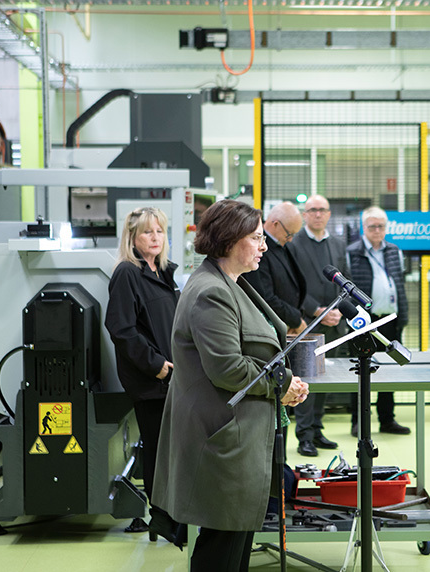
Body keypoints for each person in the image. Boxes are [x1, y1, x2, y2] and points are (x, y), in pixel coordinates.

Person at [150, 199, 309, 571]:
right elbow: (228, 368)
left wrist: (283, 381)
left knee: (234, 546)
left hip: (240, 438)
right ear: (228, 240)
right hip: (222, 439)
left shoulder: (233, 283)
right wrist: (282, 385)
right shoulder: (211, 291)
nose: (264, 245)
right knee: (220, 549)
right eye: (256, 238)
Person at [105, 206, 180, 519]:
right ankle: (162, 518)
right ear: (132, 237)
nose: (155, 237)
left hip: (172, 379)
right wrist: (157, 365)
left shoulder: (163, 273)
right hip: (152, 382)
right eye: (148, 231)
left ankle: (173, 514)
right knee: (158, 450)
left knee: (171, 450)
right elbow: (121, 329)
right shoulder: (127, 273)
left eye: (160, 231)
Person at [287, 194, 346, 457]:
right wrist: (317, 310)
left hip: (333, 322)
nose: (318, 214)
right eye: (312, 210)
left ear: (329, 214)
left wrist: (337, 311)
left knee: (325, 379)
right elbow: (292, 286)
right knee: (306, 380)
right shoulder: (294, 244)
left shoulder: (338, 244)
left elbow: (344, 281)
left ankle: (318, 429)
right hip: (306, 323)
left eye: (322, 210)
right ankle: (304, 436)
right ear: (305, 214)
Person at [346, 206, 411, 436]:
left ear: (386, 228)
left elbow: (399, 282)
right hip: (365, 321)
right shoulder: (352, 252)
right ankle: (358, 420)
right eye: (372, 226)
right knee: (361, 368)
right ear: (364, 228)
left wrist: (403, 314)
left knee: (390, 369)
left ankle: (387, 419)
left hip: (390, 319)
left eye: (380, 226)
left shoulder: (394, 250)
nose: (376, 230)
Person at [244, 201, 307, 335]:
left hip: (288, 327)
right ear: (276, 224)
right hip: (271, 327)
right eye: (289, 234)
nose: (290, 239)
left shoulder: (286, 246)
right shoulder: (258, 252)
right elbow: (265, 297)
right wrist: (295, 320)